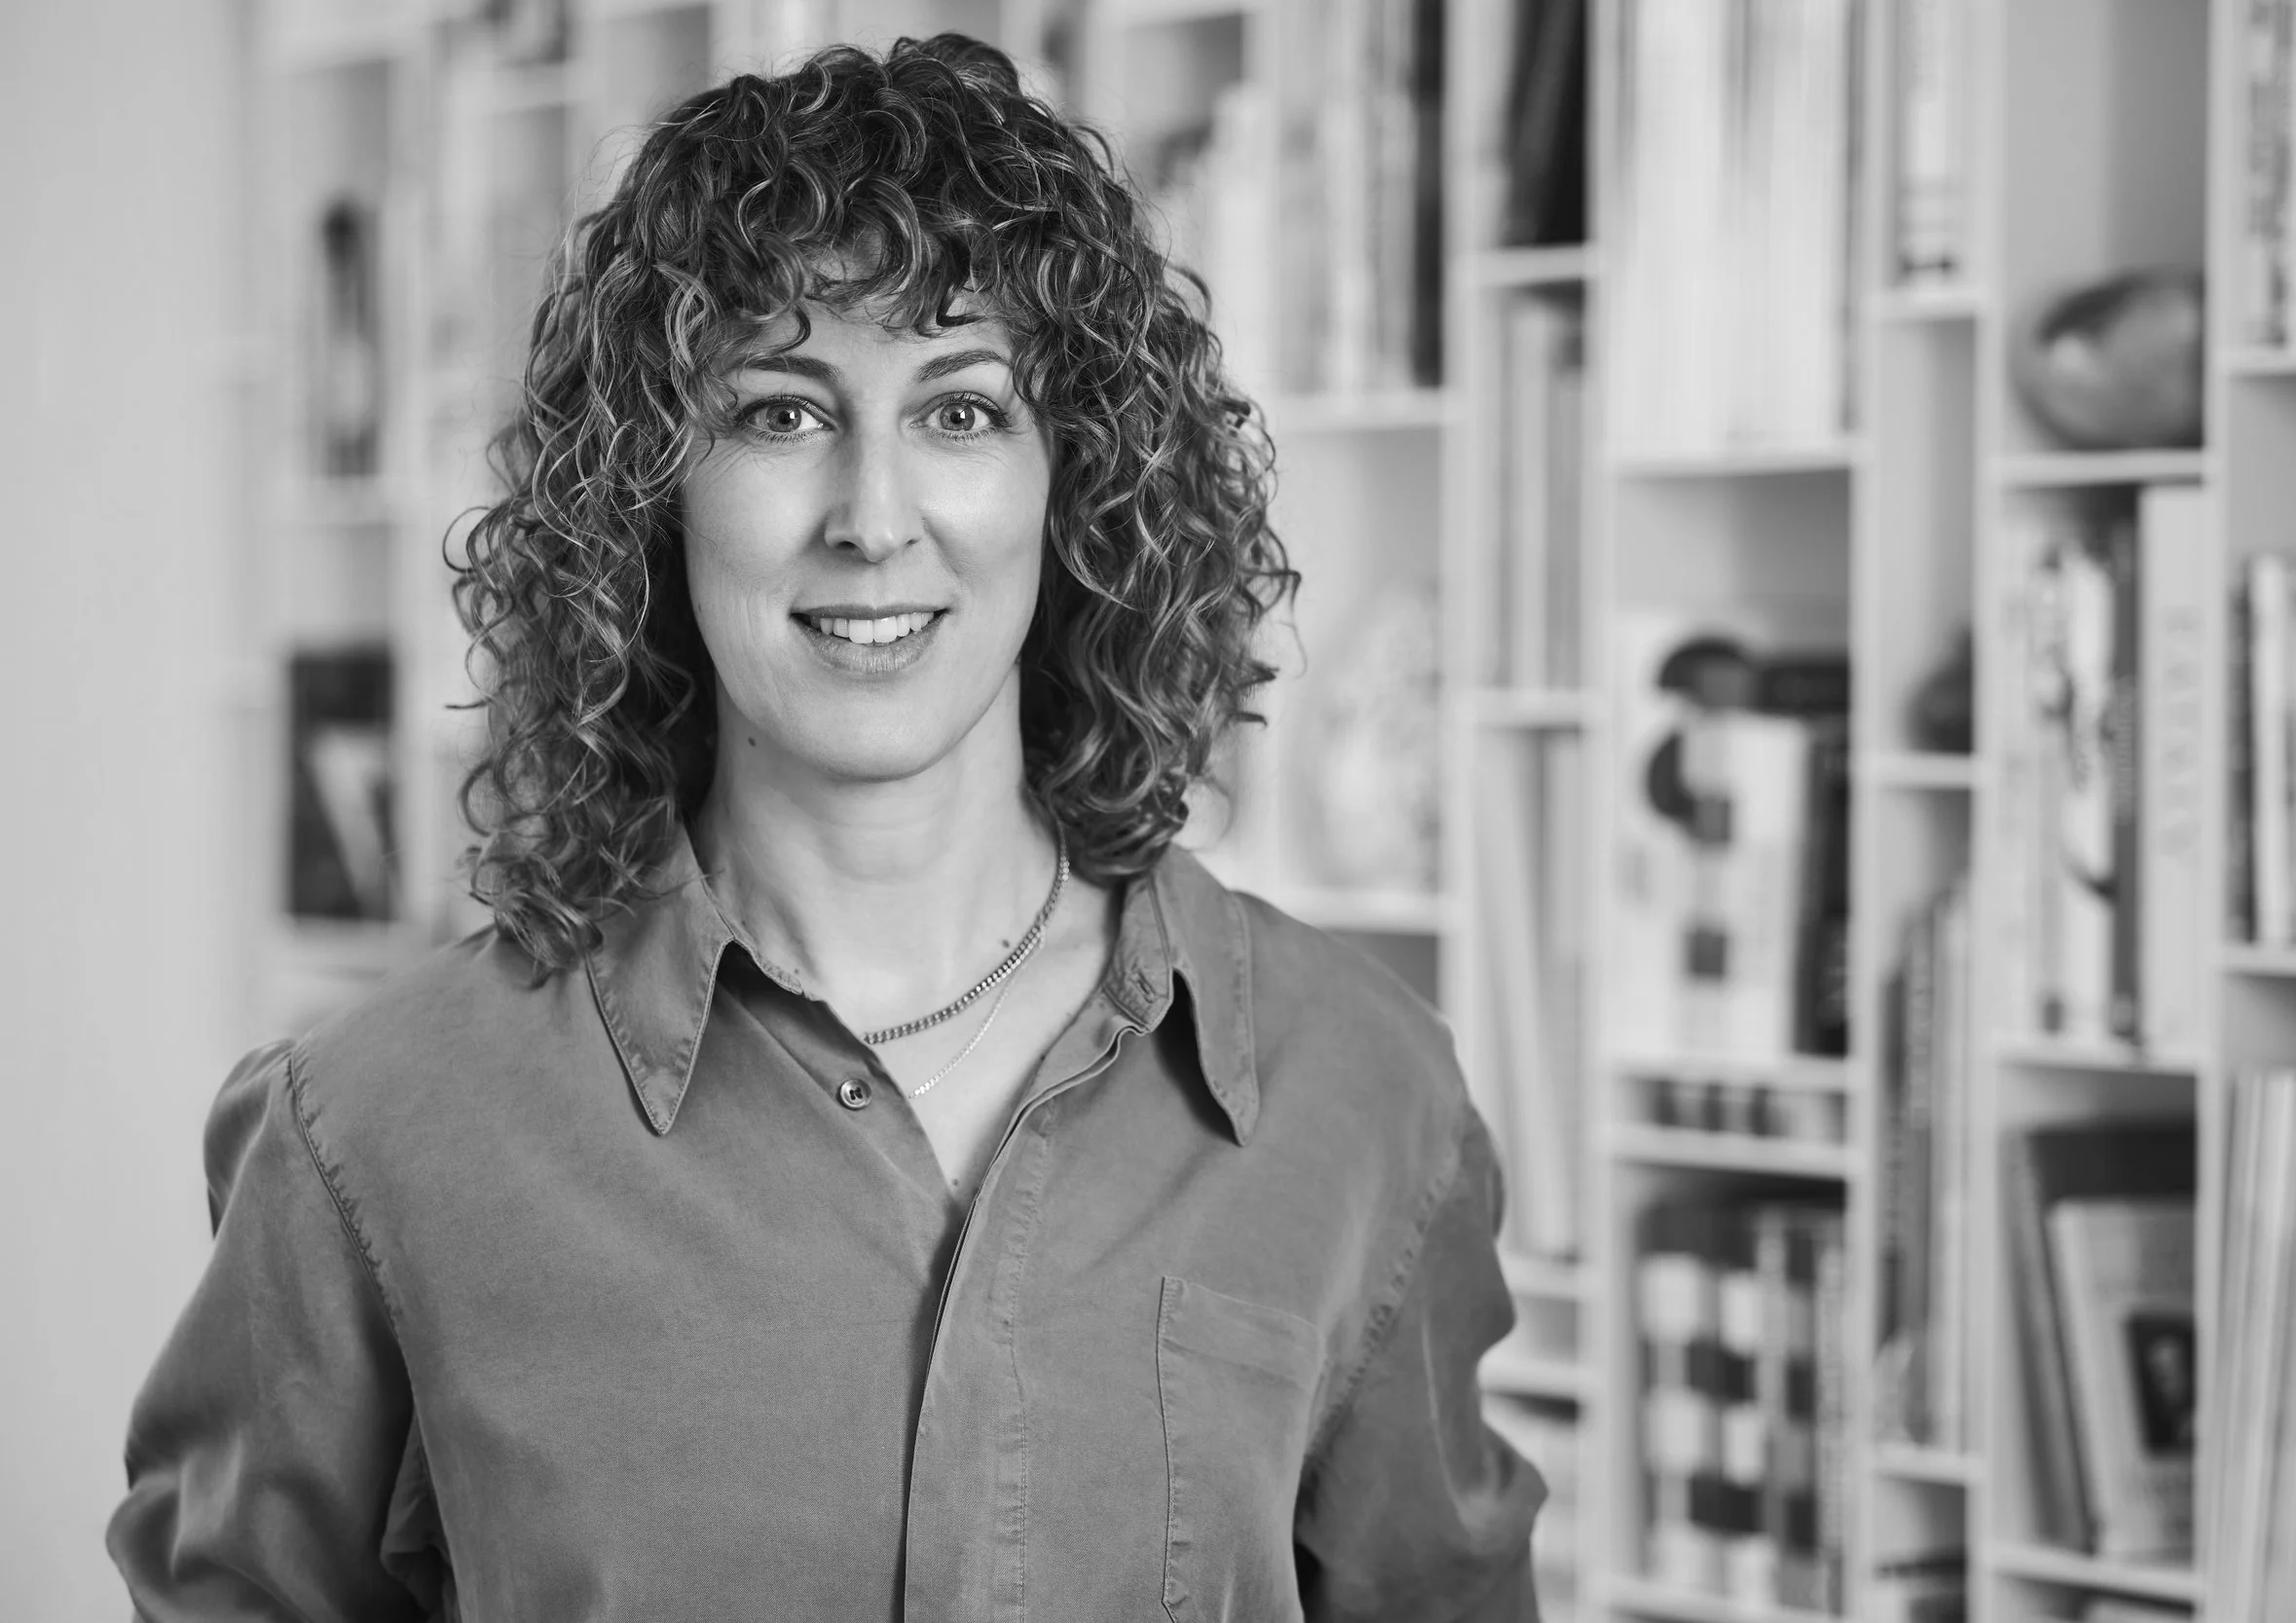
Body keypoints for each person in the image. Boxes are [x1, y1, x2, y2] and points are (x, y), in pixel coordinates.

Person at [109, 33, 1543, 1621]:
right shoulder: (372, 1133)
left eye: (964, 410)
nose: (873, 515)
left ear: (1079, 484)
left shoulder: (1361, 1098)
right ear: (652, 490)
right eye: (782, 414)